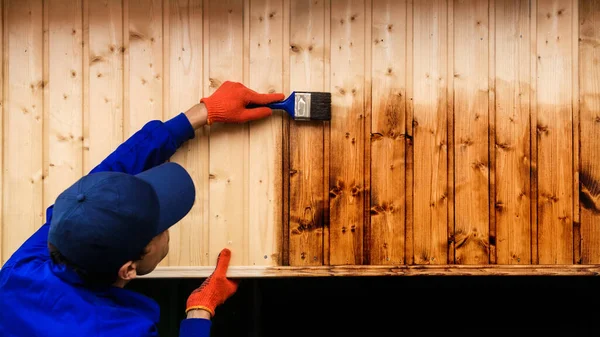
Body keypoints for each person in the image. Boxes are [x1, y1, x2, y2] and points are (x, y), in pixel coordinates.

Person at [0, 81, 285, 337]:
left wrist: (199, 114)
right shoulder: (123, 331)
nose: (167, 226)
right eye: (160, 225)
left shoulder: (19, 275)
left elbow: (104, 184)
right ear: (128, 269)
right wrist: (199, 310)